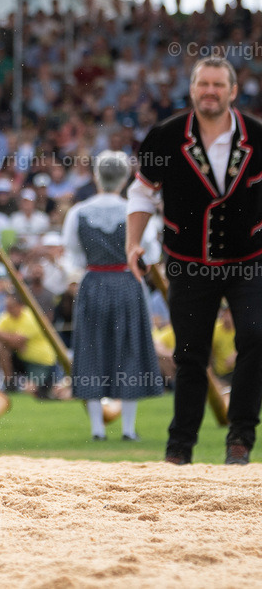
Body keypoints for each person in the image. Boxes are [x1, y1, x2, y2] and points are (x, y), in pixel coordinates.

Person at [127, 56, 262, 466]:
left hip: (249, 260)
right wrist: (133, 244)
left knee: (256, 338)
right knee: (189, 354)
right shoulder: (165, 136)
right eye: (204, 84)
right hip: (188, 262)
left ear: (233, 91)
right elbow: (142, 193)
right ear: (192, 89)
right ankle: (179, 447)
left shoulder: (257, 136)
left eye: (218, 85)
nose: (210, 92)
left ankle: (240, 438)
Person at [62, 151, 164, 441]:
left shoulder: (78, 212)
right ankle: (128, 429)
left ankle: (97, 429)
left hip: (93, 282)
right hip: (127, 282)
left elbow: (73, 254)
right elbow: (151, 254)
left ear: (96, 176)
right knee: (130, 349)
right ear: (124, 179)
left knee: (91, 349)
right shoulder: (136, 212)